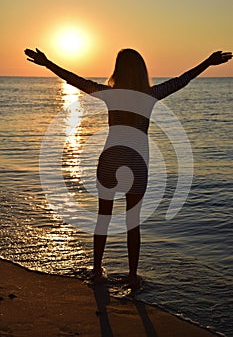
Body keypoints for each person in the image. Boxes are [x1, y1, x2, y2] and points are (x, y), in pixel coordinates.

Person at [24, 47, 232, 288]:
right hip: (136, 165)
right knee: (133, 222)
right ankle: (132, 275)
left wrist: (48, 63)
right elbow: (182, 80)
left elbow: (75, 80)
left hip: (110, 161)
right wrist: (207, 61)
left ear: (118, 70)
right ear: (142, 71)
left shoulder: (110, 95)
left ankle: (96, 271)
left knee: (103, 218)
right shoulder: (151, 95)